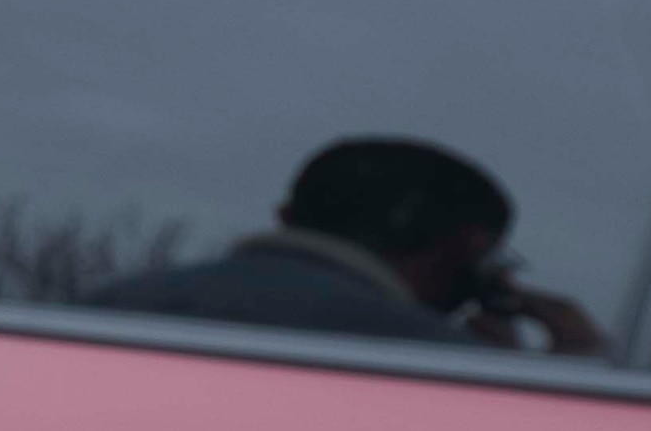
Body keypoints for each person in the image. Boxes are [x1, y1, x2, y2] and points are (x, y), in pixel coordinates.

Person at [92, 135, 610, 355]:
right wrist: (563, 380)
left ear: (287, 219)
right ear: (469, 252)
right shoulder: (439, 363)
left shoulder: (106, 308)